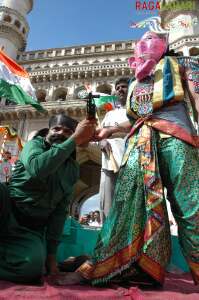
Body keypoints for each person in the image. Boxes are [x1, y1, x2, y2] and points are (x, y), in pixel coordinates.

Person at [61, 31, 199, 287]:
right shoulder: (137, 82)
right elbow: (137, 119)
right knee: (125, 204)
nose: (146, 43)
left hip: (176, 139)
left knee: (191, 207)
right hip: (140, 143)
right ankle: (121, 266)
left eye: (152, 39)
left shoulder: (185, 64)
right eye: (142, 42)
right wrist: (110, 130)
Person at [0, 113, 96, 284]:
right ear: (47, 132)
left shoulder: (72, 169)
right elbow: (38, 168)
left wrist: (51, 258)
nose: (60, 133)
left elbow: (59, 213)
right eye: (56, 129)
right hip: (7, 209)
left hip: (27, 229)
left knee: (30, 268)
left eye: (67, 131)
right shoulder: (34, 146)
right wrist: (74, 139)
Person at [99, 77, 129, 222]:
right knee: (108, 199)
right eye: (117, 88)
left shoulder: (135, 109)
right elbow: (100, 134)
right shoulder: (110, 114)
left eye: (124, 87)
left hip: (131, 154)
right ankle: (108, 237)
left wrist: (114, 129)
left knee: (130, 197)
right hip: (110, 156)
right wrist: (102, 141)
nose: (120, 90)